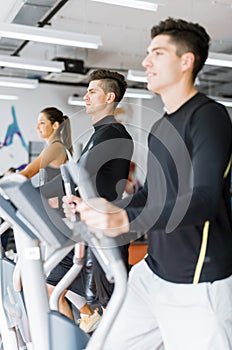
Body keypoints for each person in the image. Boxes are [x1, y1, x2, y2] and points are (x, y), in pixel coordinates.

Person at [67, 18, 232, 349]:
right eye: (147, 53)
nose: (146, 61)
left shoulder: (209, 116)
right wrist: (105, 207)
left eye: (157, 53)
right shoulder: (161, 127)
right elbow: (147, 194)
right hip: (152, 272)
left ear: (186, 62)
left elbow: (204, 199)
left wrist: (127, 219)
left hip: (195, 283)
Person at [46, 69, 133, 333]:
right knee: (53, 285)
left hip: (103, 233)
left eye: (92, 92)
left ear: (109, 97)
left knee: (105, 308)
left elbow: (82, 176)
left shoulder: (114, 133)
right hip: (85, 229)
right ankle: (72, 336)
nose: (85, 97)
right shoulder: (98, 133)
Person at [19, 107, 72, 185]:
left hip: (56, 196)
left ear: (55, 125)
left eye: (42, 123)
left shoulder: (56, 147)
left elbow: (28, 173)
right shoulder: (54, 146)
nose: (37, 127)